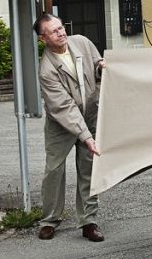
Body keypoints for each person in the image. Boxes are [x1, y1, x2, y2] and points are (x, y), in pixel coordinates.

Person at [34, 13, 106, 242]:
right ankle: (49, 220)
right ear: (43, 38)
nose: (61, 32)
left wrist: (101, 68)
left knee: (89, 169)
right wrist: (85, 136)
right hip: (61, 124)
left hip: (91, 116)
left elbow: (96, 67)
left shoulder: (82, 42)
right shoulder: (46, 69)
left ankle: (88, 221)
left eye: (61, 27)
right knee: (54, 170)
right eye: (54, 31)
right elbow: (64, 107)